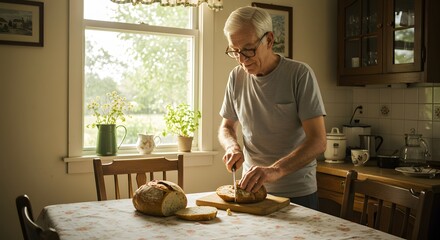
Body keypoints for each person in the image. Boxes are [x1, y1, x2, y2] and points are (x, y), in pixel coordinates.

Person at [218, 6, 327, 210]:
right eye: (235, 51)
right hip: (250, 191)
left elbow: (318, 141)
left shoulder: (299, 75)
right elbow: (226, 127)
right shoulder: (236, 77)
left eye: (249, 49)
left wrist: (274, 171)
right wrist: (232, 145)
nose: (242, 60)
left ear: (269, 40)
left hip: (297, 193)